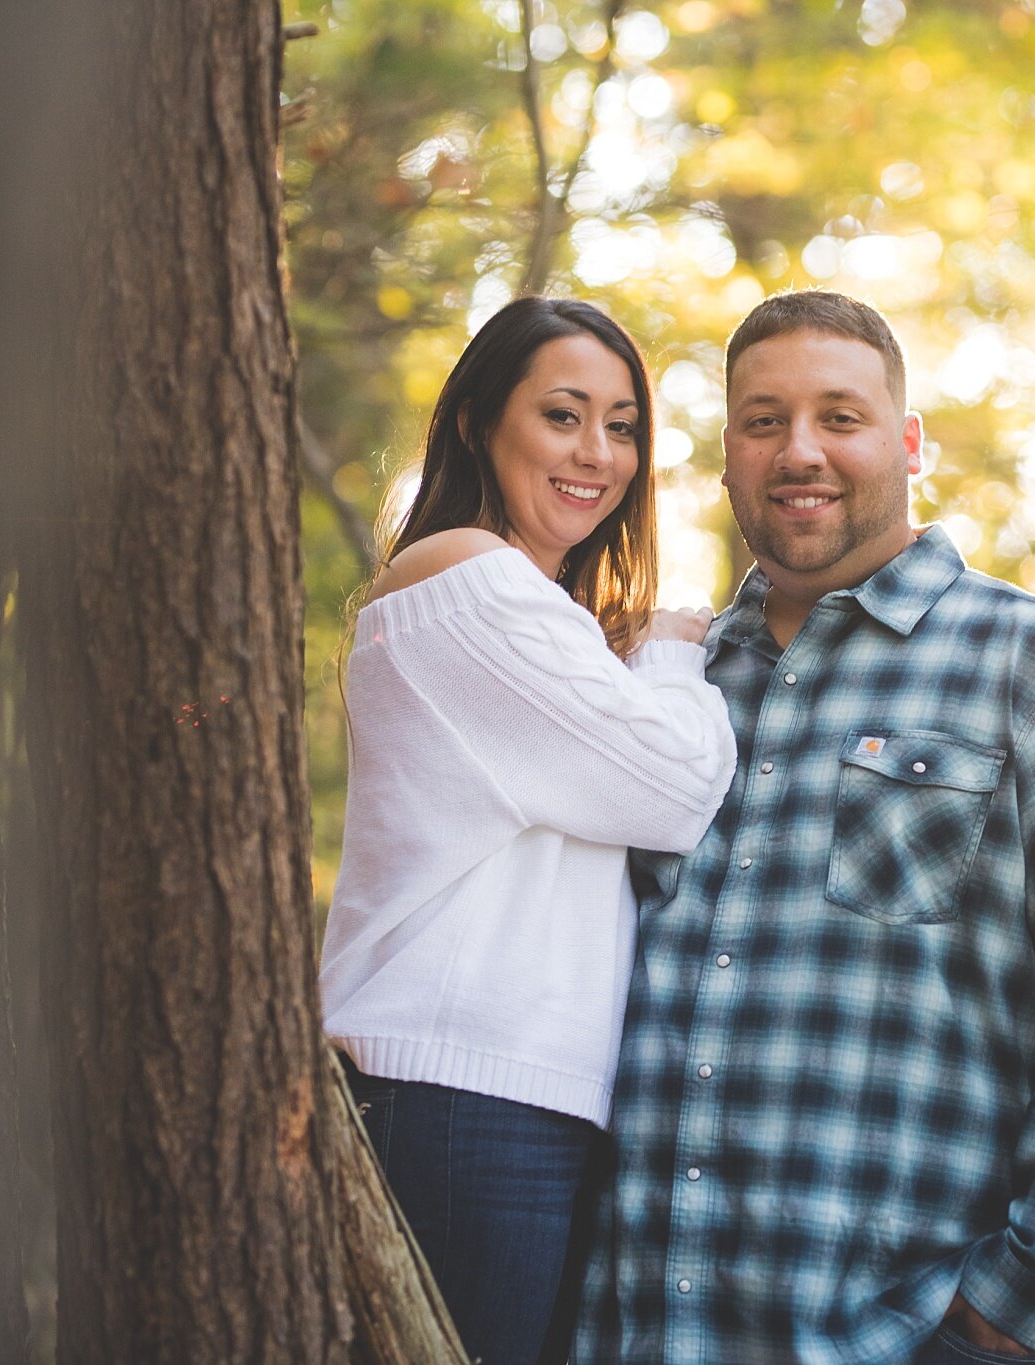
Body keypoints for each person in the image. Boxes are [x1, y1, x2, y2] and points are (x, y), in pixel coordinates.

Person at [574, 291, 1035, 1364]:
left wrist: (999, 1320)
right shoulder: (662, 687)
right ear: (726, 454)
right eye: (762, 421)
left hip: (897, 1342)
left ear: (906, 444)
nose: (797, 450)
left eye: (838, 417)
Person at [319, 296, 737, 1365]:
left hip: (502, 1096)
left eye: (622, 424)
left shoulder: (531, 611)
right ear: (474, 423)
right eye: (561, 414)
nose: (596, 453)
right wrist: (673, 650)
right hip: (458, 1090)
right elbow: (678, 788)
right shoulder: (465, 583)